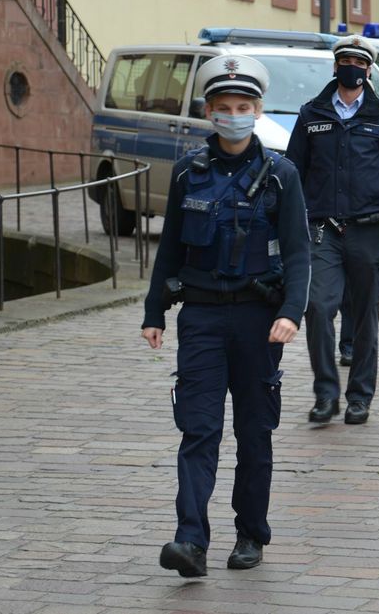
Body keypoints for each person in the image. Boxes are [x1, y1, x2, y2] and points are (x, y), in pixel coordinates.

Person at [140, 54, 311, 578]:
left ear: (257, 111)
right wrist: (154, 312)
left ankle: (250, 533)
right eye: (223, 107)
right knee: (198, 430)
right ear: (209, 111)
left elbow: (301, 252)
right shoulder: (189, 173)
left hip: (260, 321)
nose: (232, 114)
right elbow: (169, 247)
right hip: (202, 319)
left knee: (255, 434)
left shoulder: (281, 175)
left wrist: (291, 313)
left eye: (242, 106)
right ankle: (190, 541)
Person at [287, 35, 379, 426]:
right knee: (317, 306)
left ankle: (360, 396)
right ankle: (326, 394)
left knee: (365, 316)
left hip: (370, 230)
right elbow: (292, 171)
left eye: (359, 63)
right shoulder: (312, 114)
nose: (352, 68)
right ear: (335, 66)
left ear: (368, 70)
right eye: (345, 60)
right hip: (322, 230)